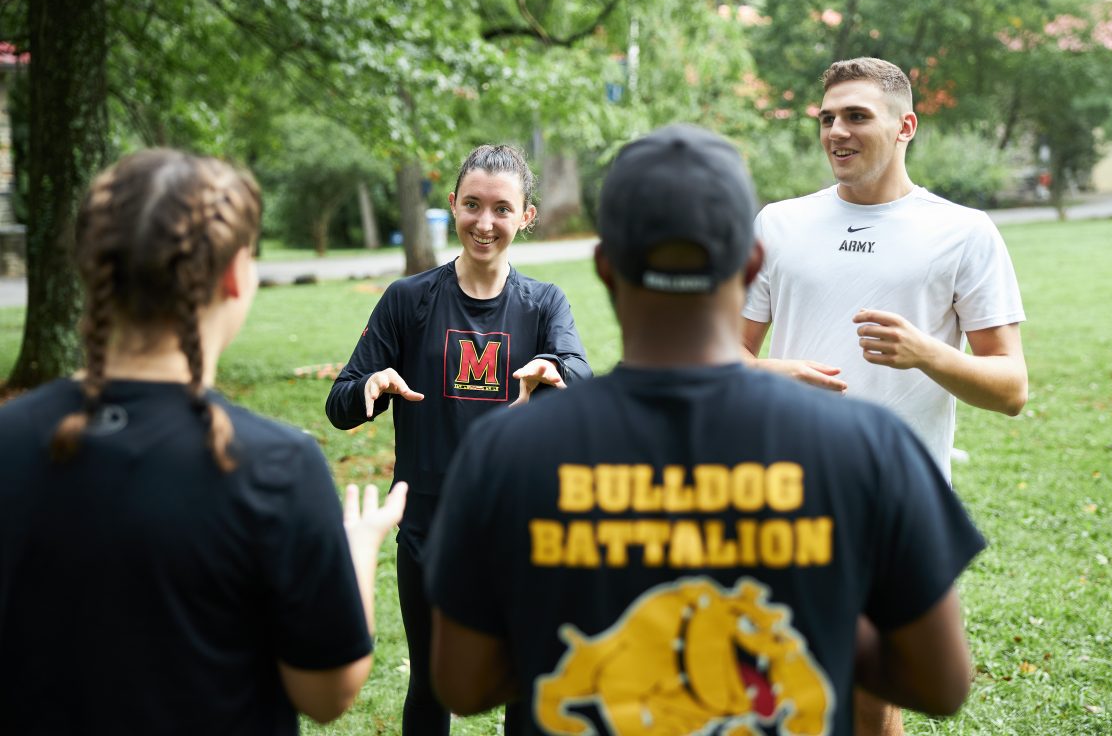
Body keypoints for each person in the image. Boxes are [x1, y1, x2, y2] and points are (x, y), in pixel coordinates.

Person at [424, 123, 984, 736]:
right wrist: (815, 610)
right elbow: (941, 681)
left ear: (607, 266)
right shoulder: (870, 446)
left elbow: (462, 683)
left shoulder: (506, 451)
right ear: (750, 263)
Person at [0, 150, 407, 735]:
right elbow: (326, 692)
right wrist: (358, 549)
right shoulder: (276, 466)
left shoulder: (11, 442)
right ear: (235, 276)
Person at [741, 56, 1027, 735]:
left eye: (856, 116)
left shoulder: (963, 232)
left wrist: (925, 352)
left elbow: (1011, 387)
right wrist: (776, 374)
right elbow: (714, 360)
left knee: (873, 697)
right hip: (782, 489)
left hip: (899, 501)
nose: (837, 131)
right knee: (774, 689)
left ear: (906, 126)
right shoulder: (776, 225)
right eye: (827, 118)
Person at [325, 144, 591, 735]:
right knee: (432, 681)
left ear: (526, 215)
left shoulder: (544, 304)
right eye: (472, 205)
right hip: (428, 529)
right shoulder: (408, 300)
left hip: (522, 528)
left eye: (501, 208)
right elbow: (340, 405)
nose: (485, 223)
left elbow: (581, 372)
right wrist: (371, 383)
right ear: (452, 206)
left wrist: (555, 371)